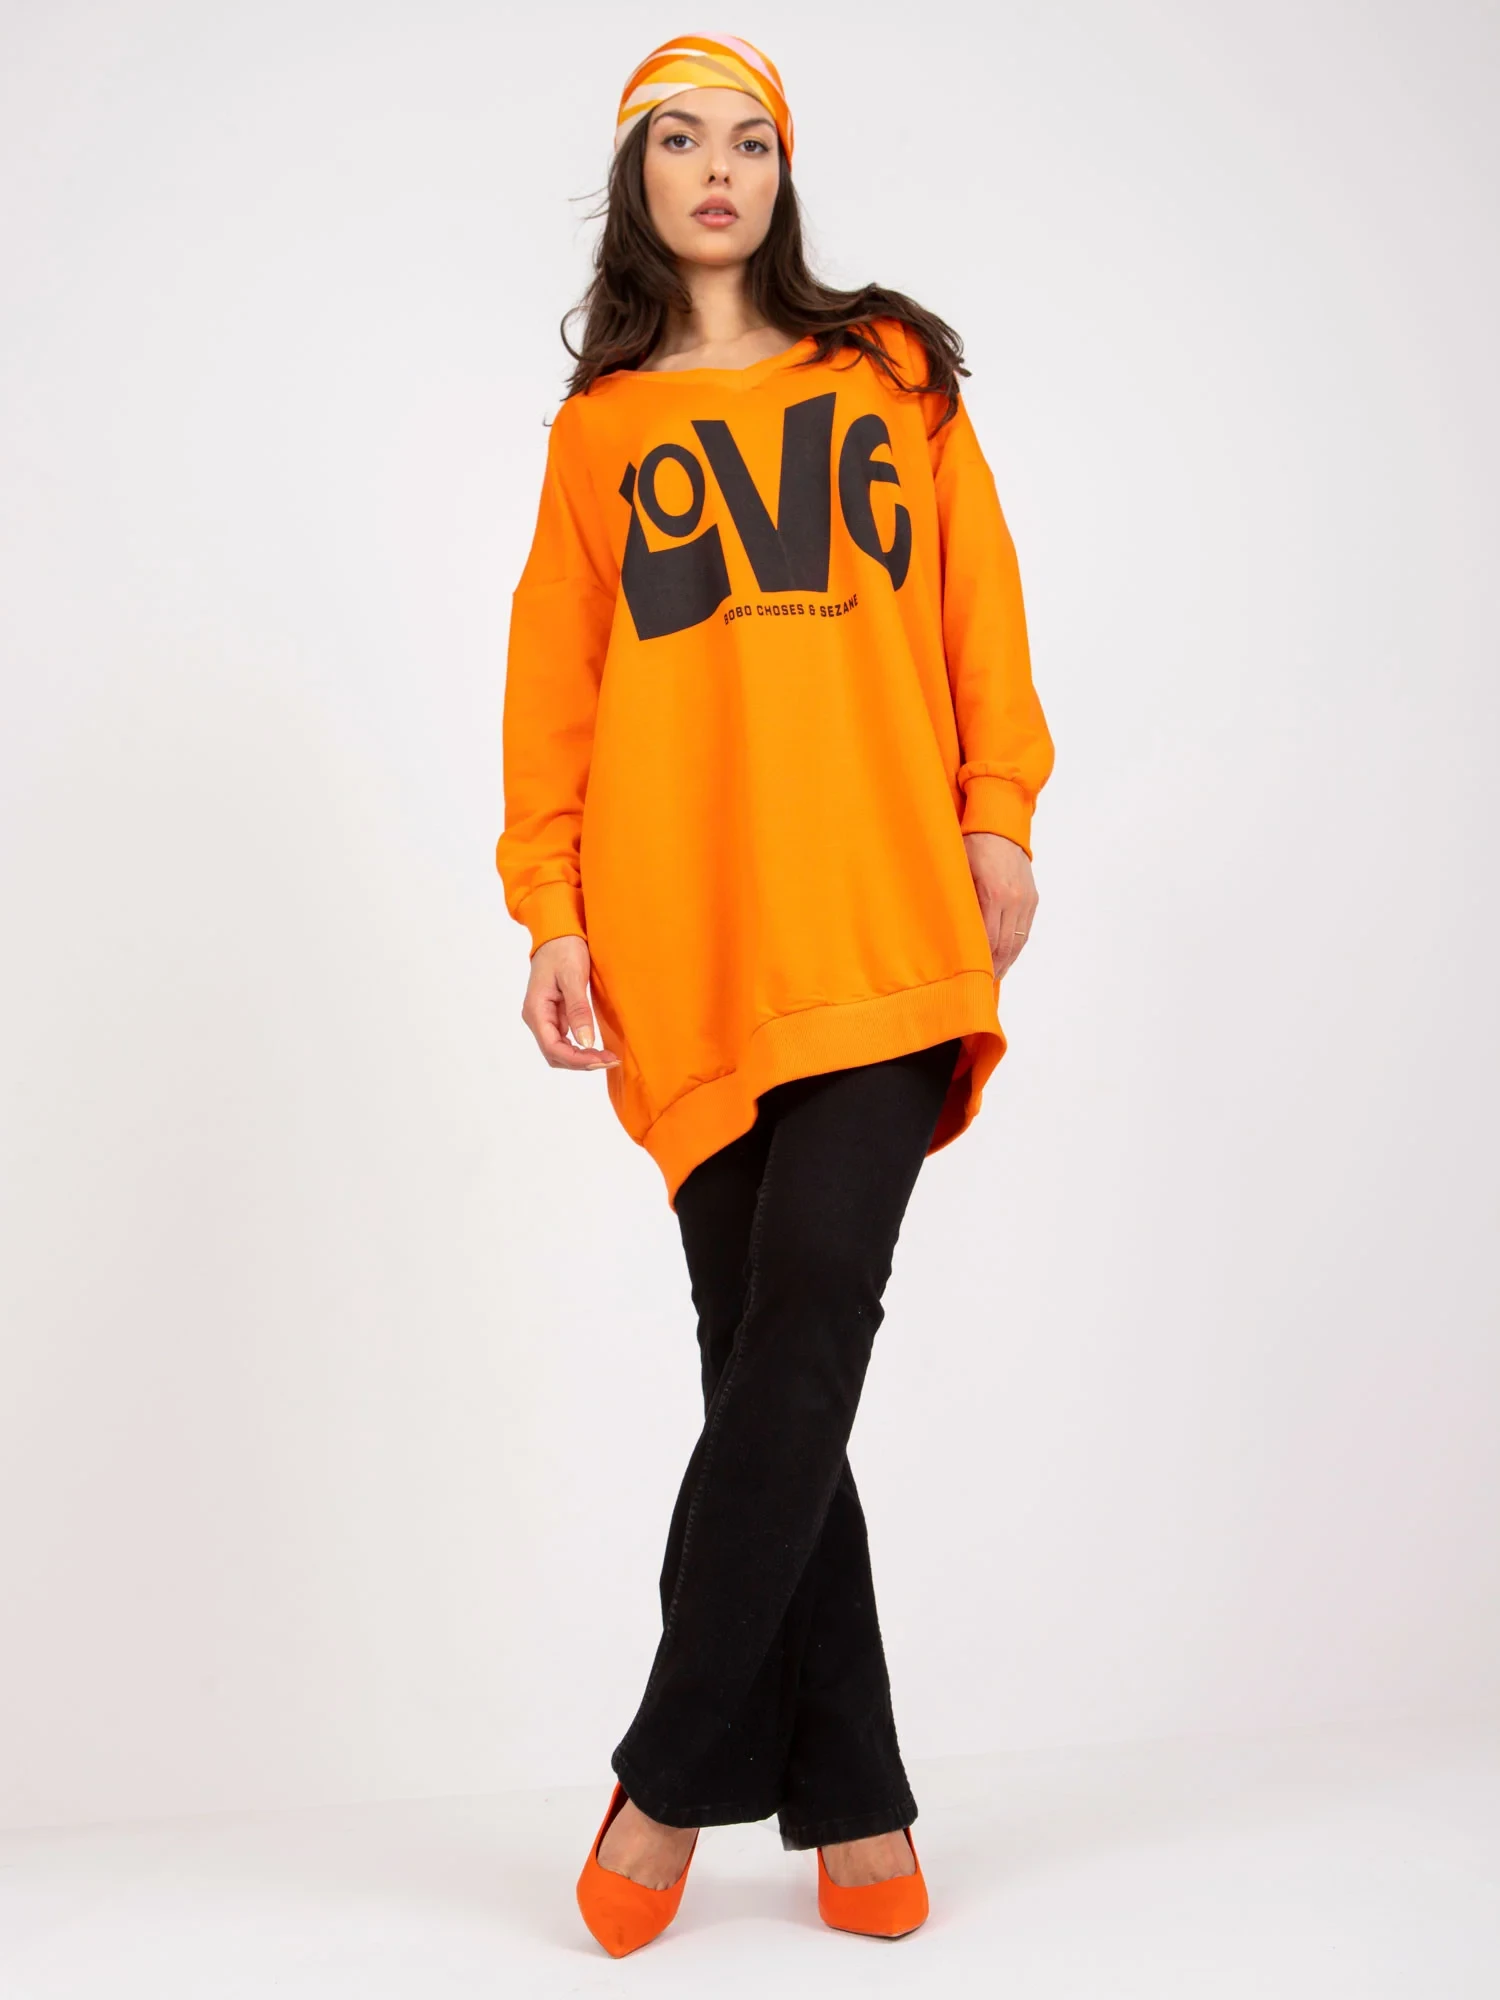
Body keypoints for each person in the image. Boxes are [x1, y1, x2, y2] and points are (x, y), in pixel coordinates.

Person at [494, 32, 1055, 1957]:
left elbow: (982, 610)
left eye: (749, 140)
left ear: (781, 176)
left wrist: (998, 815)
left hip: (885, 918)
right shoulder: (599, 436)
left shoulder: (887, 374)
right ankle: (861, 1806)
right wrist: (551, 913)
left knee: (809, 1312)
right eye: (681, 141)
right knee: (766, 1368)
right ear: (639, 179)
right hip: (692, 945)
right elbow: (554, 699)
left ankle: (664, 1780)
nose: (718, 169)